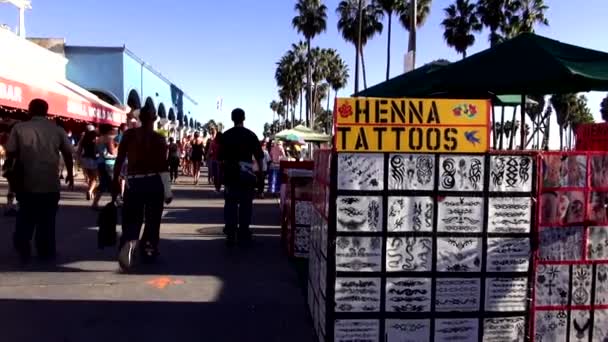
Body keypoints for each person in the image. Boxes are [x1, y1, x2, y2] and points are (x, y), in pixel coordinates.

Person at [4, 99, 74, 262]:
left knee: (25, 215)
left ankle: (23, 244)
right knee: (47, 219)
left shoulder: (19, 128)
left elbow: (11, 152)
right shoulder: (57, 129)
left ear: (30, 110)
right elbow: (68, 153)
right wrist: (70, 174)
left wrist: (12, 174)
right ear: (46, 111)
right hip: (50, 182)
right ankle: (45, 249)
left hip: (26, 181)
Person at [113, 102, 169, 268]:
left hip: (134, 181)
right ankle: (149, 248)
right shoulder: (159, 138)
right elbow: (162, 166)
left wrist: (115, 180)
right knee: (153, 219)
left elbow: (120, 159)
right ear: (154, 119)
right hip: (153, 181)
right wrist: (167, 190)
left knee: (132, 218)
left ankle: (128, 245)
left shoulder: (129, 135)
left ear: (140, 118)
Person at [218, 108, 264, 246]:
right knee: (246, 203)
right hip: (246, 175)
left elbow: (220, 159)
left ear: (232, 119)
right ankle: (244, 231)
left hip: (230, 174)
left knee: (231, 202)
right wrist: (260, 173)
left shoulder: (226, 135)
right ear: (244, 118)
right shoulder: (251, 135)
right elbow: (259, 157)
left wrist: (222, 175)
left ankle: (231, 232)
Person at [92, 125, 117, 210]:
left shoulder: (98, 139)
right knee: (112, 183)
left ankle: (95, 203)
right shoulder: (109, 139)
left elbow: (96, 151)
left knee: (103, 183)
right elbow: (112, 151)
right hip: (109, 163)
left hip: (100, 162)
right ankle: (114, 202)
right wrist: (117, 147)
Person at [76, 129, 99, 200]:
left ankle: (91, 193)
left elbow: (78, 151)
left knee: (90, 178)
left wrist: (79, 161)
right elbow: (98, 151)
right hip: (93, 160)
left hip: (85, 160)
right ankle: (90, 191)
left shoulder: (83, 141)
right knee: (95, 179)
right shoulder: (96, 141)